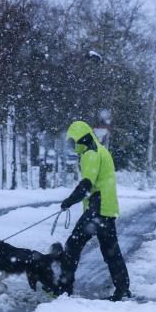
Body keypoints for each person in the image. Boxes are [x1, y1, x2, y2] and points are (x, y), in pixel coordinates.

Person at [58, 120, 131, 300]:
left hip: (97, 210)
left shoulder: (91, 153)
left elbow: (86, 185)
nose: (72, 146)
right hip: (106, 209)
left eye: (73, 142)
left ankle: (63, 289)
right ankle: (122, 289)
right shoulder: (100, 150)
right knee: (111, 252)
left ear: (80, 139)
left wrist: (69, 201)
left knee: (72, 246)